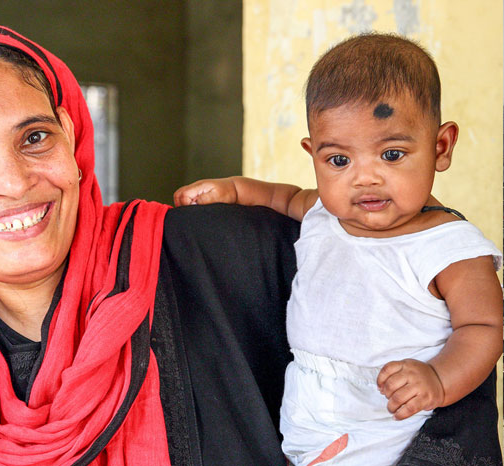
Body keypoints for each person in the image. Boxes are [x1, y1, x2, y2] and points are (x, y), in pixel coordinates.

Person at [0, 23, 500, 466]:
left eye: (34, 139)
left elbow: (437, 353)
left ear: (73, 141)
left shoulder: (229, 253)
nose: (15, 184)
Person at [175, 33, 503, 465]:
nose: (365, 178)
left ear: (440, 147)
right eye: (339, 161)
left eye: (391, 153)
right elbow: (283, 197)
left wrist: (438, 379)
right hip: (311, 417)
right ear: (313, 154)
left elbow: (484, 328)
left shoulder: (448, 247)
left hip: (391, 430)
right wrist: (232, 190)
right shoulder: (321, 213)